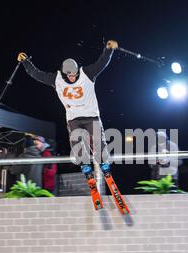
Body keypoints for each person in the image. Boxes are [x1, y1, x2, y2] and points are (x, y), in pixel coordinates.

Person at [17, 39, 118, 182]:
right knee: (76, 141)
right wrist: (25, 62)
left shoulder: (87, 73)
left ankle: (104, 164)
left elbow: (102, 63)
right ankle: (85, 166)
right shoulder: (56, 79)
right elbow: (36, 74)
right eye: (69, 76)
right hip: (73, 118)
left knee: (98, 140)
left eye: (74, 75)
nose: (72, 78)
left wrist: (109, 49)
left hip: (91, 116)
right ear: (64, 74)